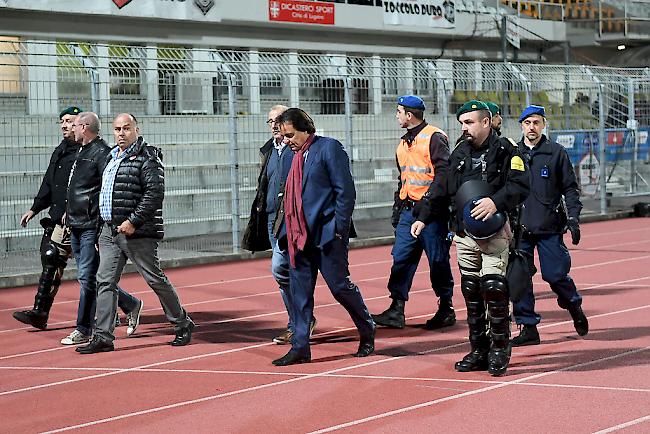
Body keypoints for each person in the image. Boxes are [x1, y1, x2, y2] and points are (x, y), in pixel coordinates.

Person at [76, 113, 194, 354]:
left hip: (136, 232)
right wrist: (102, 227)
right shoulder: (111, 157)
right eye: (117, 129)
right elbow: (105, 194)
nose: (121, 133)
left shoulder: (147, 158)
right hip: (109, 231)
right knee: (104, 281)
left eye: (126, 128)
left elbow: (154, 194)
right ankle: (103, 336)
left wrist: (133, 221)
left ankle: (182, 323)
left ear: (136, 130)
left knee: (154, 279)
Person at [271, 108, 375, 366]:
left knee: (340, 287)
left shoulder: (329, 148)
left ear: (306, 128)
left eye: (290, 135)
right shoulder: (290, 157)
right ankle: (300, 346)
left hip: (327, 235)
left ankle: (366, 328)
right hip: (298, 237)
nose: (286, 140)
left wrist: (339, 229)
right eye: (283, 136)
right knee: (300, 294)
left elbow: (345, 191)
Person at [448, 100, 529, 376]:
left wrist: (496, 203)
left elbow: (520, 185)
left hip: (495, 232)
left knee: (494, 288)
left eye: (469, 122)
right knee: (471, 290)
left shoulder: (507, 150)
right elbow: (447, 189)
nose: (464, 128)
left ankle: (500, 347)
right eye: (462, 123)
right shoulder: (459, 153)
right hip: (464, 234)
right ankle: (479, 349)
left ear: (486, 122)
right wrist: (425, 216)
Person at [60, 112, 144, 346]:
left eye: (74, 125)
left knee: (88, 278)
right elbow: (78, 187)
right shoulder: (81, 151)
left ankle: (84, 328)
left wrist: (99, 226)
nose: (70, 128)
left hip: (90, 224)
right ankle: (129, 304)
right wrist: (69, 210)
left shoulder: (101, 153)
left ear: (84, 127)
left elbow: (104, 191)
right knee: (98, 278)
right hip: (76, 222)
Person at [372, 95, 455, 330]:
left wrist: (428, 205)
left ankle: (446, 307)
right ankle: (396, 309)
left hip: (432, 213)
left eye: (399, 112)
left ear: (409, 115)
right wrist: (398, 208)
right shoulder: (403, 142)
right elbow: (404, 178)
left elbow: (443, 176)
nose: (397, 116)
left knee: (438, 260)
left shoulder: (434, 137)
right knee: (401, 258)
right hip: (408, 210)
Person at [511, 105, 588, 346]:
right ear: (521, 125)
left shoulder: (556, 153)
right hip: (520, 229)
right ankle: (528, 327)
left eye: (536, 122)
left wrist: (573, 218)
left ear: (543, 124)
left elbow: (570, 189)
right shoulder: (513, 154)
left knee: (555, 275)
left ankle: (573, 304)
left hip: (549, 226)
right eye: (527, 123)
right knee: (519, 278)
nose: (531, 127)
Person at [242, 105, 317, 345]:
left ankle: (299, 323)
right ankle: (300, 322)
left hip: (291, 222)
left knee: (282, 270)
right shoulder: (269, 151)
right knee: (285, 274)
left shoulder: (299, 150)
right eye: (270, 121)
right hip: (270, 220)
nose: (274, 125)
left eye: (279, 120)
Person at [13, 106, 80, 330]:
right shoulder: (60, 150)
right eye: (62, 121)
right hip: (57, 218)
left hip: (77, 220)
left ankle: (127, 305)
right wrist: (34, 208)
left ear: (80, 124)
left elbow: (85, 188)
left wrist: (71, 211)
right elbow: (49, 183)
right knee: (51, 259)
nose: (64, 125)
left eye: (69, 121)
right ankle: (40, 312)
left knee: (92, 273)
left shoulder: (86, 152)